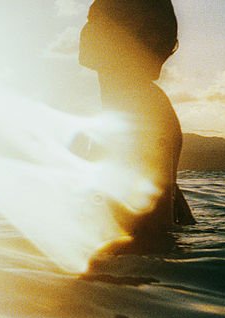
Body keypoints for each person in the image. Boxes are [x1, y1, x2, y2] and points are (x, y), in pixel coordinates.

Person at [79, 0, 194, 248]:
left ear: (145, 37)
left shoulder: (140, 109)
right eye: (89, 19)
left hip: (130, 272)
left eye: (99, 20)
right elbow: (172, 201)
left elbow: (152, 232)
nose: (86, 29)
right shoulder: (132, 104)